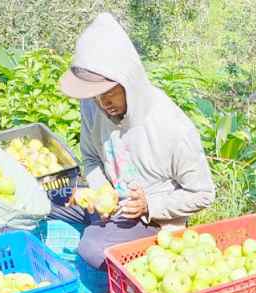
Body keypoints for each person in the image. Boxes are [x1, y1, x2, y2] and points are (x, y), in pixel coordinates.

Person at [53, 12, 215, 277]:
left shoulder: (171, 127)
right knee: (45, 202)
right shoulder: (93, 105)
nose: (102, 104)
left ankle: (110, 244)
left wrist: (149, 205)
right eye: (94, 96)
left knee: (92, 249)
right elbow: (91, 158)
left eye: (108, 94)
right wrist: (100, 191)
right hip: (112, 203)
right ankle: (99, 228)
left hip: (149, 215)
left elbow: (203, 193)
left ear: (129, 82)